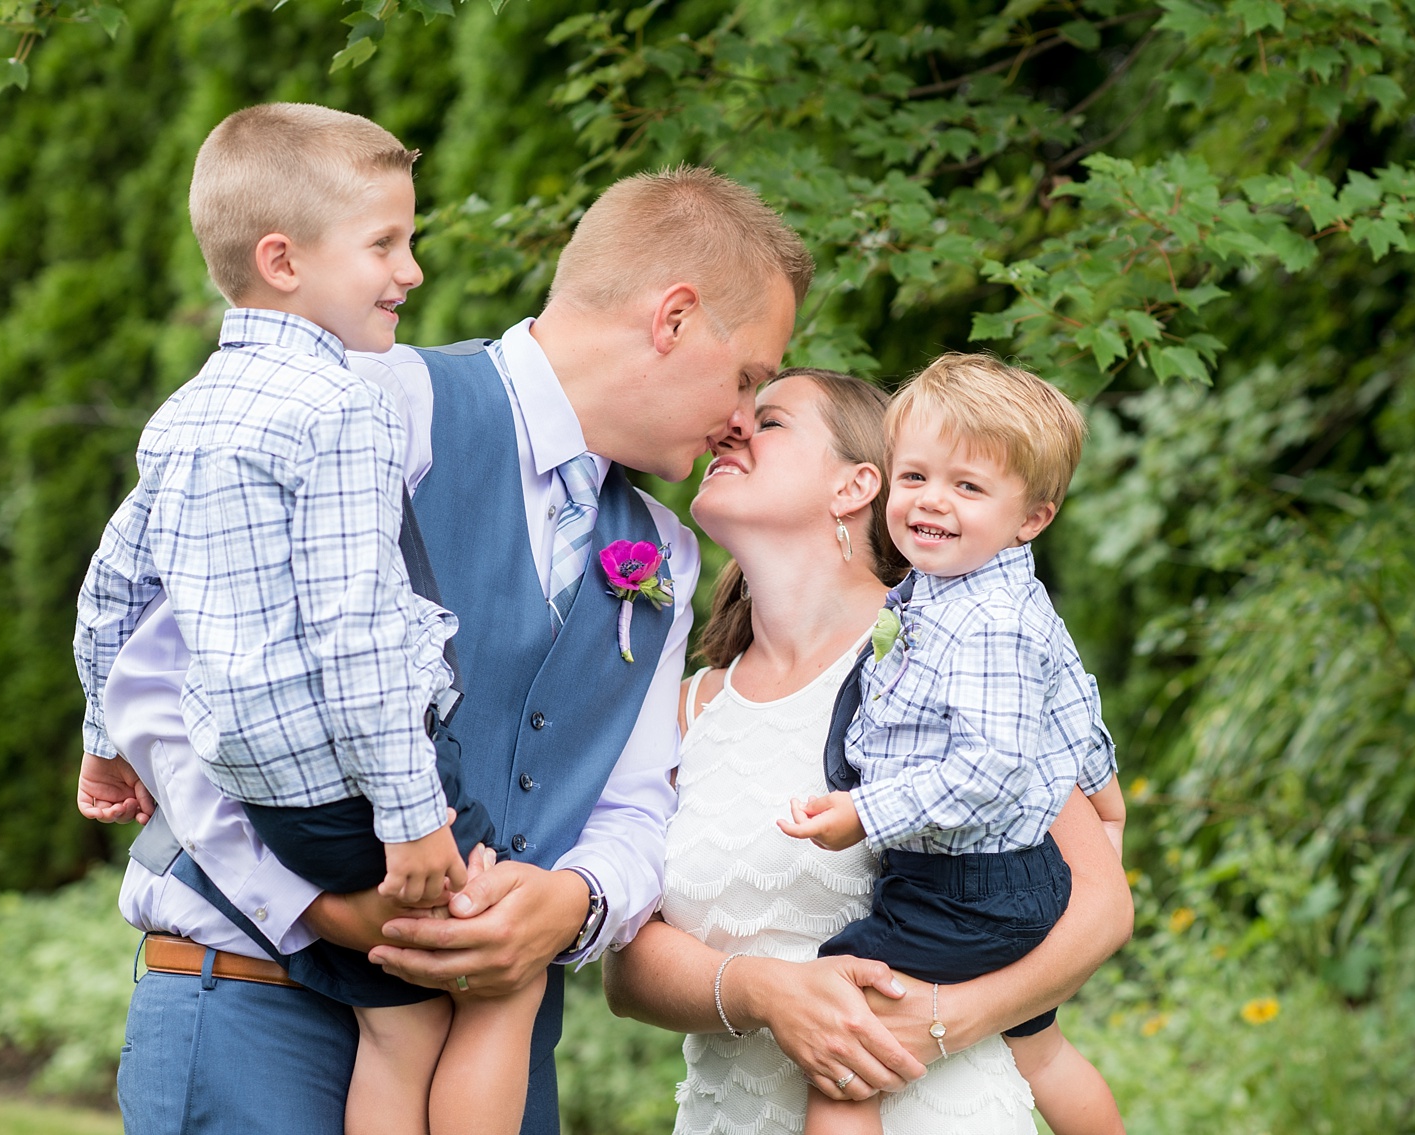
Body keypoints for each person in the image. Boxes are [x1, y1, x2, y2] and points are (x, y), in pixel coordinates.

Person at [76, 163, 810, 1135]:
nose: (738, 416)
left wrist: (571, 904)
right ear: (673, 318)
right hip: (260, 999)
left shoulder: (664, 556)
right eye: (748, 374)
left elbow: (636, 803)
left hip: (487, 1059)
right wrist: (328, 907)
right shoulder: (367, 407)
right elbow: (169, 687)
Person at [74, 102, 542, 1135]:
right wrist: (410, 813)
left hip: (264, 791)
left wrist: (105, 747)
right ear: (282, 260)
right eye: (385, 243)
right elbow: (357, 629)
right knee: (457, 1006)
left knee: (413, 1011)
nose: (411, 269)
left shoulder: (186, 411)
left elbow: (112, 589)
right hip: (353, 795)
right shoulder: (343, 409)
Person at [602, 368, 1134, 1135]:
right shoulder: (685, 705)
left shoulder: (943, 656)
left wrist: (947, 1017)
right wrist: (764, 991)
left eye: (772, 420)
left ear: (856, 485)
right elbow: (627, 969)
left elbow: (1101, 904)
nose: (733, 427)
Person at [775, 354, 1126, 1134]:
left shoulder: (986, 621)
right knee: (1041, 1049)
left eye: (968, 486)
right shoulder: (976, 590)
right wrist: (1106, 794)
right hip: (1003, 881)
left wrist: (865, 811)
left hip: (968, 888)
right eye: (915, 477)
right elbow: (1067, 698)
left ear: (1032, 516)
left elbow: (993, 767)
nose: (932, 501)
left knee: (841, 1025)